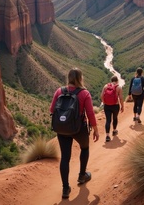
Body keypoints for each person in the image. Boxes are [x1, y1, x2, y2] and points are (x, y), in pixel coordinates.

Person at [50, 67, 99, 199]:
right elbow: (90, 113)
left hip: (62, 128)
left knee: (65, 157)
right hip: (79, 128)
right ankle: (82, 175)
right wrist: (95, 130)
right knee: (85, 148)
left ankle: (65, 189)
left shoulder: (59, 91)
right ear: (80, 78)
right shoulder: (84, 93)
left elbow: (52, 110)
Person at [100, 75, 124, 142]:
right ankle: (114, 131)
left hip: (107, 106)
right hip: (115, 106)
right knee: (115, 118)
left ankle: (107, 136)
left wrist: (104, 103)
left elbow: (101, 96)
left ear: (111, 80)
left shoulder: (105, 86)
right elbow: (121, 98)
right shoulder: (118, 87)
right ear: (117, 81)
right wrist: (122, 106)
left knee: (108, 120)